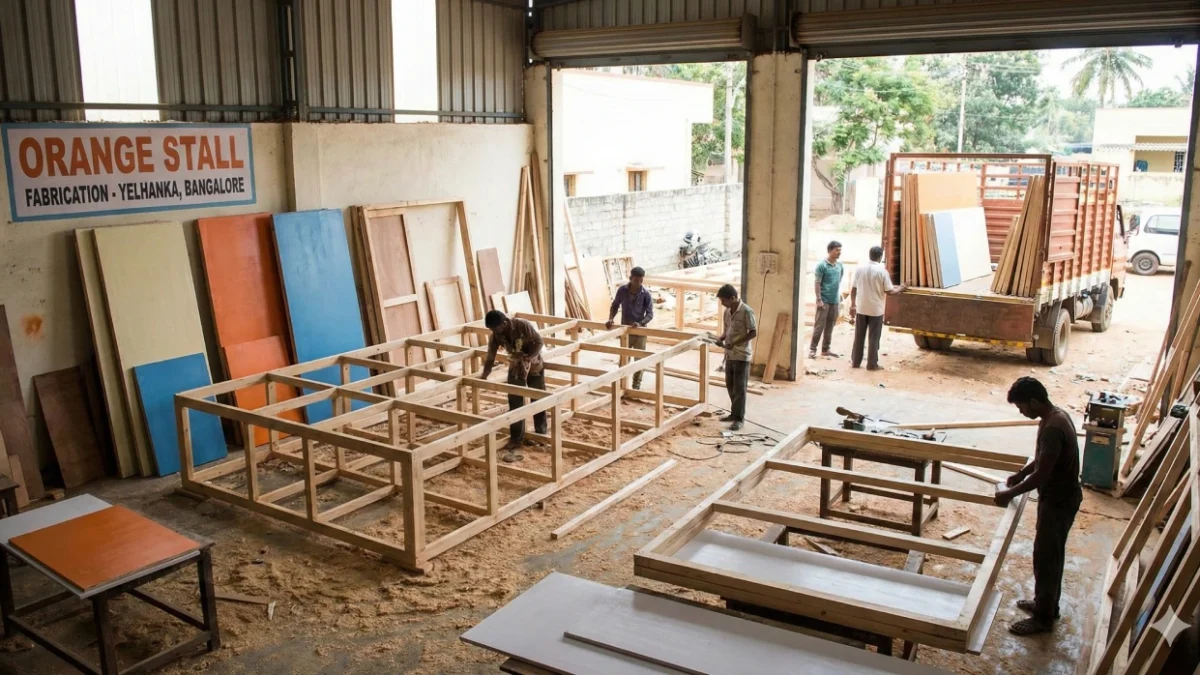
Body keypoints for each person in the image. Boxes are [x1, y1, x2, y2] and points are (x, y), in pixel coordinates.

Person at [994, 377, 1083, 636]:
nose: (1022, 412)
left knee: (1047, 557)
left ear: (1034, 401)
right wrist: (1021, 473)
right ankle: (1046, 604)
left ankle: (1044, 619)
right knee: (1049, 555)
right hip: (1057, 498)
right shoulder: (1054, 416)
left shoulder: (1053, 427)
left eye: (1022, 407)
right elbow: (1044, 459)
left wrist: (1010, 492)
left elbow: (1043, 474)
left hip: (1059, 501)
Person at [480, 310, 546, 463]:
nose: (493, 332)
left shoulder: (523, 325)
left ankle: (541, 434)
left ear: (504, 323)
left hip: (534, 365)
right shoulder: (496, 335)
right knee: (515, 403)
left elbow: (539, 342)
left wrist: (528, 359)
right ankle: (517, 438)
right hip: (516, 367)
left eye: (495, 329)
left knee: (538, 399)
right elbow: (490, 356)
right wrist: (484, 375)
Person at [850, 246, 906, 371]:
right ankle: (872, 364)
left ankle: (855, 362)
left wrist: (853, 304)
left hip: (861, 308)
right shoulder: (882, 271)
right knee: (874, 338)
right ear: (880, 257)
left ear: (869, 255)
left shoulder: (860, 269)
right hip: (876, 310)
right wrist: (901, 288)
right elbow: (890, 291)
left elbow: (853, 289)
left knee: (859, 336)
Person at [715, 284, 757, 431]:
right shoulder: (727, 312)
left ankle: (739, 418)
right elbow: (727, 330)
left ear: (733, 298)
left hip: (741, 355)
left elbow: (753, 332)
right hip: (730, 354)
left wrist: (735, 343)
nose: (722, 303)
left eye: (724, 300)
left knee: (740, 388)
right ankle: (734, 414)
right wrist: (721, 338)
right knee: (730, 386)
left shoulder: (746, 311)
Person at [606, 266, 655, 389]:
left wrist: (641, 323)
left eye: (641, 280)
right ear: (630, 278)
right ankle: (622, 385)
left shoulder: (646, 294)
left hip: (639, 331)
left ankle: (636, 385)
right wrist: (611, 318)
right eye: (636, 280)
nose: (639, 283)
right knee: (624, 359)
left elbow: (650, 314)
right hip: (625, 331)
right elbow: (615, 305)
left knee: (639, 360)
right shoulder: (622, 290)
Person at [810, 240, 844, 360]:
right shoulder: (822, 266)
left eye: (840, 250)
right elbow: (817, 282)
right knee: (819, 326)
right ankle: (812, 350)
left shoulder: (840, 266)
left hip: (834, 301)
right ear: (830, 250)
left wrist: (838, 298)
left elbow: (839, 280)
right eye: (837, 250)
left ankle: (825, 349)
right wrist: (819, 299)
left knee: (830, 326)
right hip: (823, 301)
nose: (839, 252)